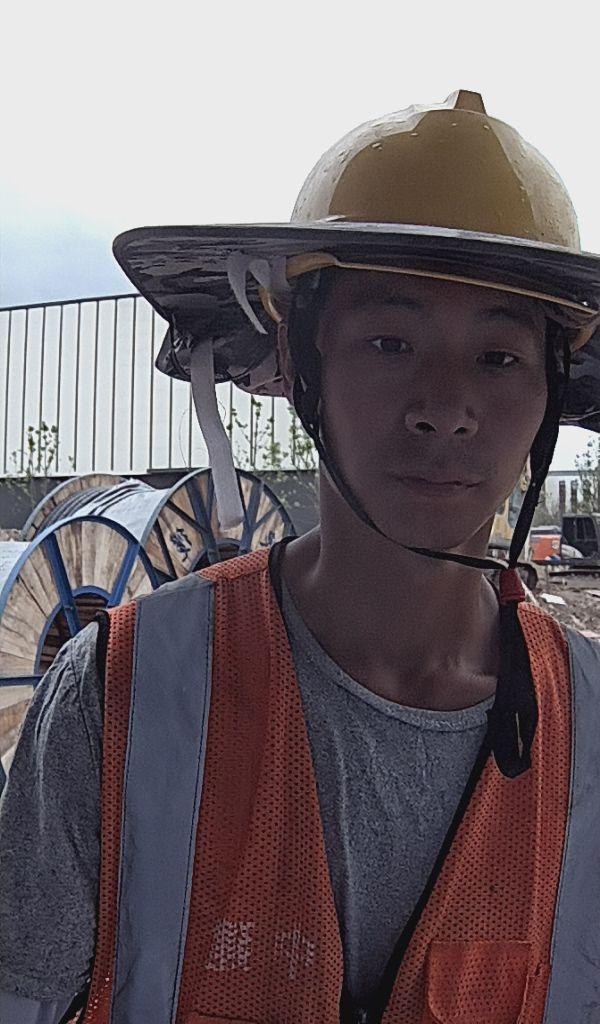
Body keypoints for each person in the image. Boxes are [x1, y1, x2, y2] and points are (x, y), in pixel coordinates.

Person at [1, 89, 600, 1024]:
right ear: (298, 362)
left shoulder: (592, 731)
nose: (445, 408)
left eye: (499, 357)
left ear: (552, 393)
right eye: (391, 341)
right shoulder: (126, 695)